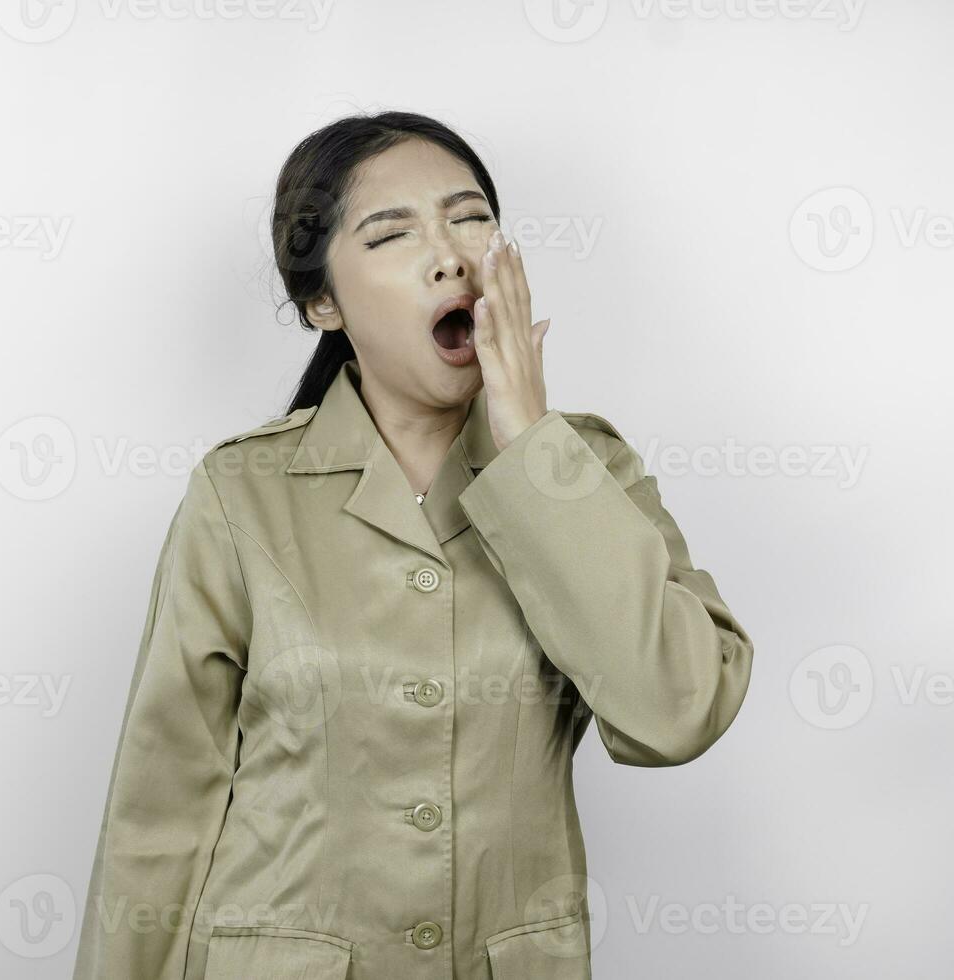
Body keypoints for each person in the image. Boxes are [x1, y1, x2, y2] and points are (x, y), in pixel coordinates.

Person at [73, 110, 755, 980]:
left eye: (471, 219)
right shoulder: (239, 494)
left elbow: (676, 711)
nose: (452, 256)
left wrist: (531, 445)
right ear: (323, 302)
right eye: (392, 234)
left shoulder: (588, 472)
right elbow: (160, 809)